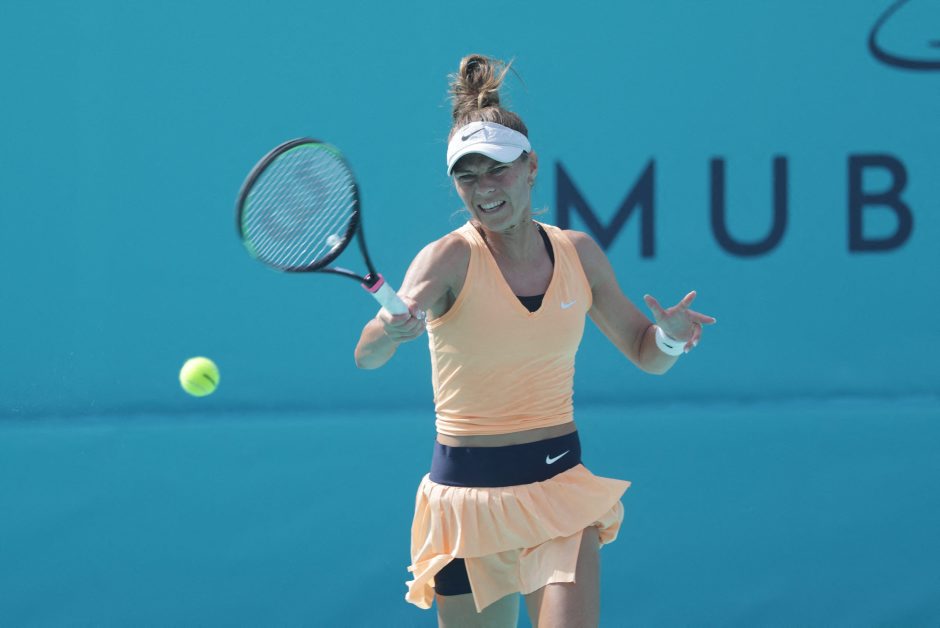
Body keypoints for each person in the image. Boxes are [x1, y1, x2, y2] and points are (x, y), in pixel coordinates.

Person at [354, 54, 716, 628]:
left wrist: (670, 338)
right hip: (467, 503)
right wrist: (388, 329)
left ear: (530, 168)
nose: (484, 188)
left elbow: (646, 353)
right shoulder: (448, 258)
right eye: (467, 176)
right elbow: (367, 355)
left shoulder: (579, 254)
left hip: (558, 491)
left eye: (497, 170)